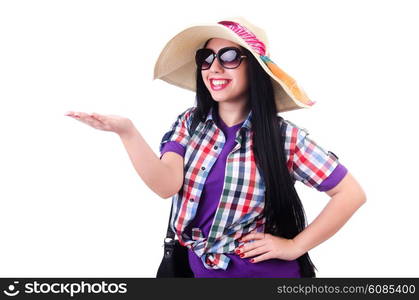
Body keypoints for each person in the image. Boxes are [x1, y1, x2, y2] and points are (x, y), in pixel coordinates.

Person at [64, 17, 366, 278]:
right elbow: (166, 184)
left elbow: (351, 194)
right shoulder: (189, 124)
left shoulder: (284, 137)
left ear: (256, 68)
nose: (214, 67)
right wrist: (126, 131)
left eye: (230, 56)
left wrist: (294, 246)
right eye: (206, 58)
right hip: (197, 273)